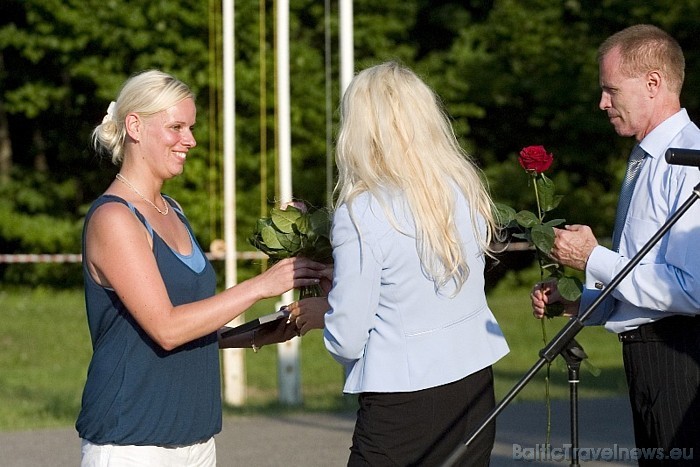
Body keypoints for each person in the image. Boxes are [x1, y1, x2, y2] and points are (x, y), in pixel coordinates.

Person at [76, 69, 329, 466]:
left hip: (195, 440)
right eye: (176, 127)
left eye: (190, 127)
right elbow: (167, 328)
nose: (190, 140)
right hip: (132, 443)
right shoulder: (115, 218)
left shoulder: (172, 210)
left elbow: (190, 326)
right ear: (135, 126)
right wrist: (262, 285)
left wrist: (254, 333)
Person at [289, 61, 510, 466]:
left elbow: (349, 338)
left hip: (404, 400)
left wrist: (326, 313)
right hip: (476, 385)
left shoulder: (364, 210)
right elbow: (425, 282)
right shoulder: (462, 186)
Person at [531, 25, 700, 464]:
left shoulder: (689, 160)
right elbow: (644, 277)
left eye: (610, 89)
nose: (602, 103)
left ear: (653, 83)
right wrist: (578, 302)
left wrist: (592, 257)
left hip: (680, 355)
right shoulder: (644, 158)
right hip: (647, 357)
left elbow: (690, 290)